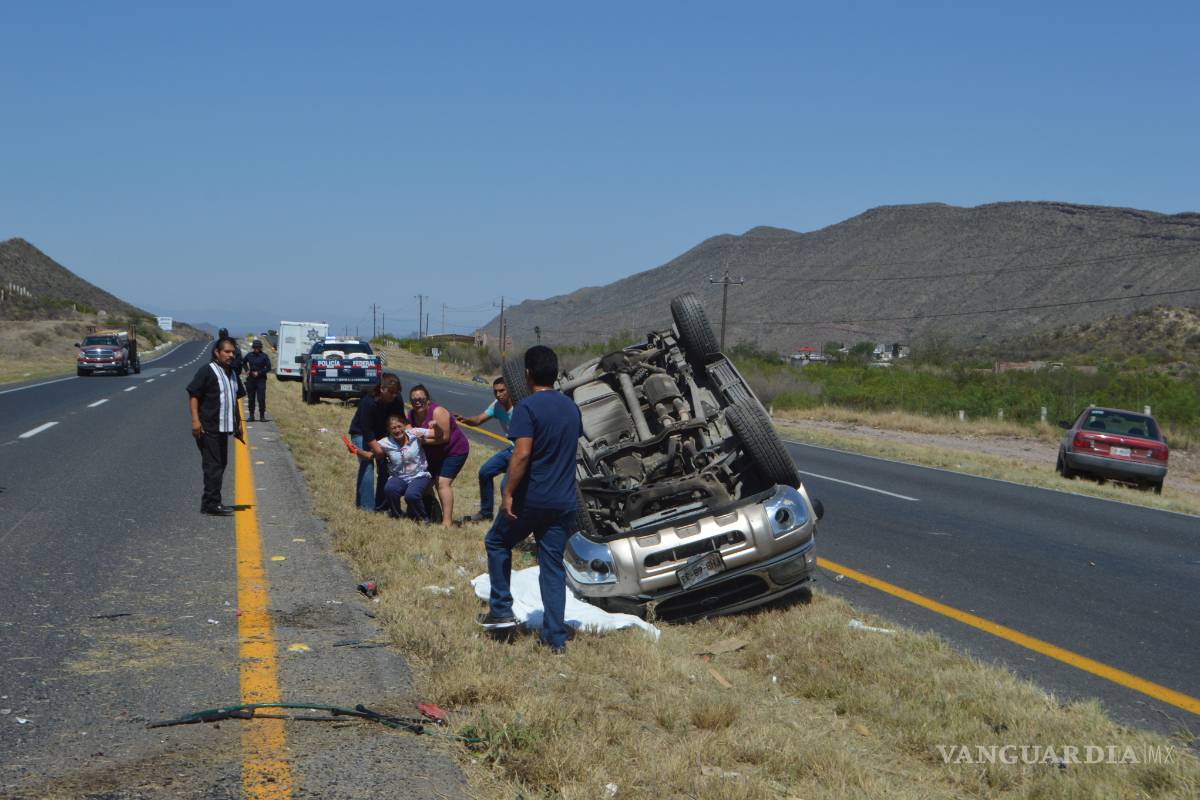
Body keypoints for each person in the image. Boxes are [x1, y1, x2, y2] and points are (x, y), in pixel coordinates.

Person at [479, 346, 581, 655]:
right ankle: (555, 639)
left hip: (532, 499)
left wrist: (508, 492)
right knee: (552, 567)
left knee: (497, 542)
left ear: (527, 375)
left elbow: (522, 454)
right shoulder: (571, 408)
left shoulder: (526, 407)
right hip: (564, 501)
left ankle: (501, 611)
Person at [187, 337, 246, 516]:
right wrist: (195, 421)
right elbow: (194, 395)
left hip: (224, 428)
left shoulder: (233, 373)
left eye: (233, 352)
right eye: (227, 352)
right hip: (208, 427)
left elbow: (234, 400)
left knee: (220, 464)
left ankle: (209, 502)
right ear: (217, 352)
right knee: (213, 466)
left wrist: (238, 423)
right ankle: (212, 504)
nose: (231, 355)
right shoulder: (207, 371)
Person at [408, 385, 470, 526]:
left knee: (442, 483)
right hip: (432, 453)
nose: (417, 402)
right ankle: (432, 513)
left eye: (421, 399)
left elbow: (445, 438)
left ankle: (447, 522)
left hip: (453, 450)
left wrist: (423, 441)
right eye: (414, 400)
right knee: (425, 484)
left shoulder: (438, 412)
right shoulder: (411, 414)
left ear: (428, 400)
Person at [457, 377, 515, 522]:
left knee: (506, 485)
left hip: (523, 452)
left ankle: (511, 518)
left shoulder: (520, 406)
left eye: (502, 391)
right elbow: (479, 419)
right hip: (511, 450)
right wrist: (466, 420)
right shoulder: (496, 406)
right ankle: (486, 513)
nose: (498, 394)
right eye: (495, 392)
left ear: (509, 390)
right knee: (485, 472)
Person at [348, 373, 404, 511]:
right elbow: (366, 430)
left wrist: (411, 436)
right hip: (361, 433)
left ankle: (382, 506)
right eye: (391, 392)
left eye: (396, 392)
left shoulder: (397, 400)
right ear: (382, 389)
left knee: (386, 466)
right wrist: (377, 451)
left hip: (383, 435)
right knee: (367, 464)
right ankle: (366, 507)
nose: (394, 395)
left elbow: (402, 420)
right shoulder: (368, 402)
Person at [378, 415, 436, 520]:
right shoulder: (385, 442)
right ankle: (396, 516)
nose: (397, 430)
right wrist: (357, 451)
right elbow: (370, 453)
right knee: (390, 489)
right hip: (398, 476)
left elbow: (438, 434)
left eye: (399, 426)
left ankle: (423, 519)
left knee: (411, 495)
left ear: (405, 425)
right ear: (388, 430)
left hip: (419, 474)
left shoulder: (415, 433)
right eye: (393, 428)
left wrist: (435, 425)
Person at [242, 339, 272, 421]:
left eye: (258, 347)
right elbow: (243, 362)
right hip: (251, 379)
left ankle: (262, 416)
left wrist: (259, 372)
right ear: (253, 347)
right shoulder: (249, 355)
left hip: (261, 379)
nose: (256, 349)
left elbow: (269, 367)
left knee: (261, 398)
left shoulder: (264, 356)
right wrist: (247, 370)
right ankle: (251, 416)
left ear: (260, 348)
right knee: (251, 398)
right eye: (255, 347)